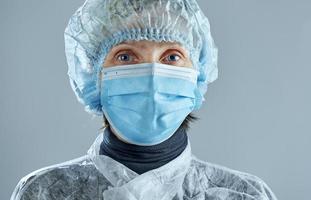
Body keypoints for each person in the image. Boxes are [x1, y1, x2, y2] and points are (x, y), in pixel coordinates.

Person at [11, 0, 278, 199]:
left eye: (172, 56)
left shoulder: (245, 195)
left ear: (197, 75)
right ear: (94, 76)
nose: (152, 75)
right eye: (125, 56)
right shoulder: (42, 193)